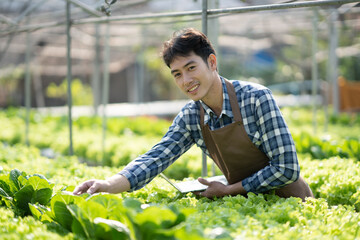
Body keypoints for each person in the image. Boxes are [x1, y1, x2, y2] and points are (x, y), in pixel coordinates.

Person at [73, 28, 313, 201]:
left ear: (212, 62)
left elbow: (287, 168)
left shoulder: (257, 98)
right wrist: (109, 184)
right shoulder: (192, 116)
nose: (186, 81)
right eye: (177, 74)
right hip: (249, 204)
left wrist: (229, 189)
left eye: (191, 68)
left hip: (290, 202)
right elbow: (155, 159)